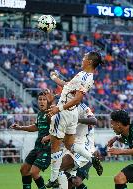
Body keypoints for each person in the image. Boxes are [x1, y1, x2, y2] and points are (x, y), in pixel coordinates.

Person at [46, 51, 103, 188]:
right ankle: (91, 158)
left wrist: (58, 109)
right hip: (70, 113)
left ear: (89, 61)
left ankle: (53, 179)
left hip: (65, 111)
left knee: (55, 149)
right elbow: (67, 86)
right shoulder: (85, 75)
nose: (82, 59)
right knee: (68, 145)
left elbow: (78, 98)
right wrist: (54, 78)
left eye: (84, 57)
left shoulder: (85, 77)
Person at [10, 90, 55, 189]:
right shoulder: (40, 114)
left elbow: (59, 130)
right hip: (38, 147)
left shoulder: (52, 112)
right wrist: (20, 128)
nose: (42, 101)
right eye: (40, 99)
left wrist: (48, 137)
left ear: (48, 101)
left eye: (44, 99)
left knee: (34, 172)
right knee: (24, 170)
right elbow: (36, 127)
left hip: (48, 148)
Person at [58, 103, 98, 189]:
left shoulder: (83, 108)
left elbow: (94, 120)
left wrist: (76, 119)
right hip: (73, 149)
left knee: (60, 168)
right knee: (72, 182)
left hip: (86, 149)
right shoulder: (64, 109)